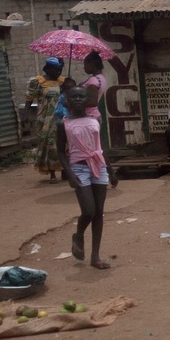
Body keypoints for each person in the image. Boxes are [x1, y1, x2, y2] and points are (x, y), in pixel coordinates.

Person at [56, 86, 116, 270]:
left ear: (87, 99)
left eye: (81, 96)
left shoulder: (95, 119)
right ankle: (79, 235)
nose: (78, 99)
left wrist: (111, 171)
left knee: (99, 213)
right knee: (88, 211)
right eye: (74, 97)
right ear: (67, 100)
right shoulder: (63, 124)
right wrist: (69, 174)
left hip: (98, 166)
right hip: (79, 168)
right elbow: (60, 151)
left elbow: (101, 147)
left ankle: (95, 256)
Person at [24, 57, 66, 182]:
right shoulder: (38, 81)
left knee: (65, 144)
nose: (58, 72)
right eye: (55, 70)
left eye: (60, 70)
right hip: (46, 118)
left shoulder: (63, 81)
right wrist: (25, 114)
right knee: (50, 144)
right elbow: (29, 99)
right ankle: (52, 173)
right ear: (47, 69)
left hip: (61, 116)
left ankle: (65, 171)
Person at [81, 50, 106, 119]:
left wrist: (73, 103)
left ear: (92, 65)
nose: (84, 67)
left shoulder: (93, 80)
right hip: (93, 116)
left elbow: (93, 102)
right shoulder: (101, 77)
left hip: (89, 116)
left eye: (85, 65)